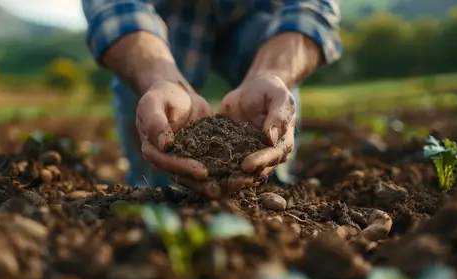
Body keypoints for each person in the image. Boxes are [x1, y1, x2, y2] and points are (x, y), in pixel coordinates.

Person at [82, 0, 342, 199]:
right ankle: (152, 190)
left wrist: (271, 74)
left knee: (271, 90)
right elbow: (115, 8)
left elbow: (310, 8)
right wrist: (159, 79)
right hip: (164, 23)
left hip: (254, 19)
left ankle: (270, 188)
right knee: (147, 92)